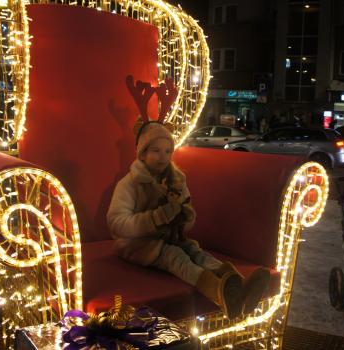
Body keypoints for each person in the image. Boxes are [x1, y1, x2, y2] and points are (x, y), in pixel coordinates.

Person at [107, 121, 270, 319]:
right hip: (138, 245)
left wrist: (184, 217)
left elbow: (189, 217)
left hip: (171, 237)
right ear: (142, 153)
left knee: (196, 252)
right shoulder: (130, 184)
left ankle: (241, 286)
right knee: (175, 256)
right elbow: (116, 223)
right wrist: (157, 217)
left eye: (168, 151)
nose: (162, 157)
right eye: (156, 151)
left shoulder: (176, 180)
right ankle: (220, 292)